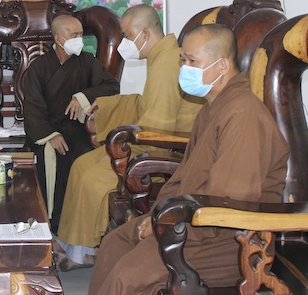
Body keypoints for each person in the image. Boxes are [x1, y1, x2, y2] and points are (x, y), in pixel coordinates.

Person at [88, 24, 289, 295]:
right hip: (188, 222)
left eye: (192, 61)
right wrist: (157, 216)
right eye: (183, 60)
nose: (185, 68)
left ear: (222, 65)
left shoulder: (244, 116)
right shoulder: (212, 109)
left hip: (230, 241)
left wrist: (166, 224)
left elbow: (227, 203)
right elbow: (183, 177)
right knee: (115, 243)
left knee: (127, 277)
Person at [54, 4, 204, 269]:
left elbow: (160, 128)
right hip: (151, 140)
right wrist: (110, 104)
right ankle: (71, 244)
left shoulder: (166, 63)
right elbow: (147, 105)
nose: (124, 41)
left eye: (127, 35)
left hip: (170, 153)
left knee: (93, 177)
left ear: (144, 34)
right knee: (80, 165)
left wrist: (119, 156)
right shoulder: (161, 55)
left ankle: (81, 253)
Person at [24, 15, 120, 233]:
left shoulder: (87, 61)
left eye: (81, 35)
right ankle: (49, 221)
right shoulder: (39, 67)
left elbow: (112, 86)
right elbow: (33, 107)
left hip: (78, 130)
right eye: (74, 35)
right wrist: (50, 135)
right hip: (46, 131)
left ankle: (75, 227)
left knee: (84, 158)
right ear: (59, 39)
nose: (80, 40)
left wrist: (84, 96)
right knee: (48, 157)